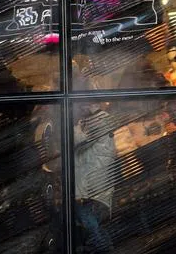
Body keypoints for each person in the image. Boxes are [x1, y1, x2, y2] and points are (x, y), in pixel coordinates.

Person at [74, 102, 117, 253]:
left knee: (91, 227)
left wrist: (69, 124)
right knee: (94, 227)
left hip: (91, 185)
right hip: (92, 184)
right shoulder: (90, 120)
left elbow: (79, 141)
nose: (79, 107)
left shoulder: (98, 121)